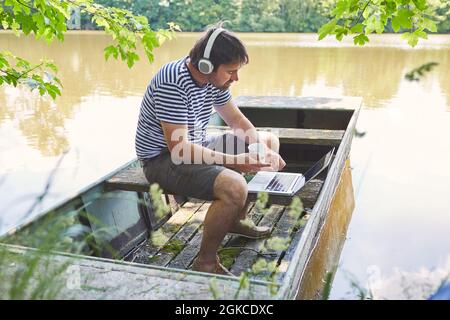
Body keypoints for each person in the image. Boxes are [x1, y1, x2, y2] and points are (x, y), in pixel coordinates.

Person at [135, 23, 286, 275]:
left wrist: (261, 150)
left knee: (268, 142)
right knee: (235, 185)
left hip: (195, 146)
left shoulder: (215, 83)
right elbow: (179, 150)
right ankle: (206, 262)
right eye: (231, 71)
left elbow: (237, 121)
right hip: (161, 160)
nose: (235, 78)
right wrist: (236, 161)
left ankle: (236, 219)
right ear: (206, 65)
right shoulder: (172, 81)